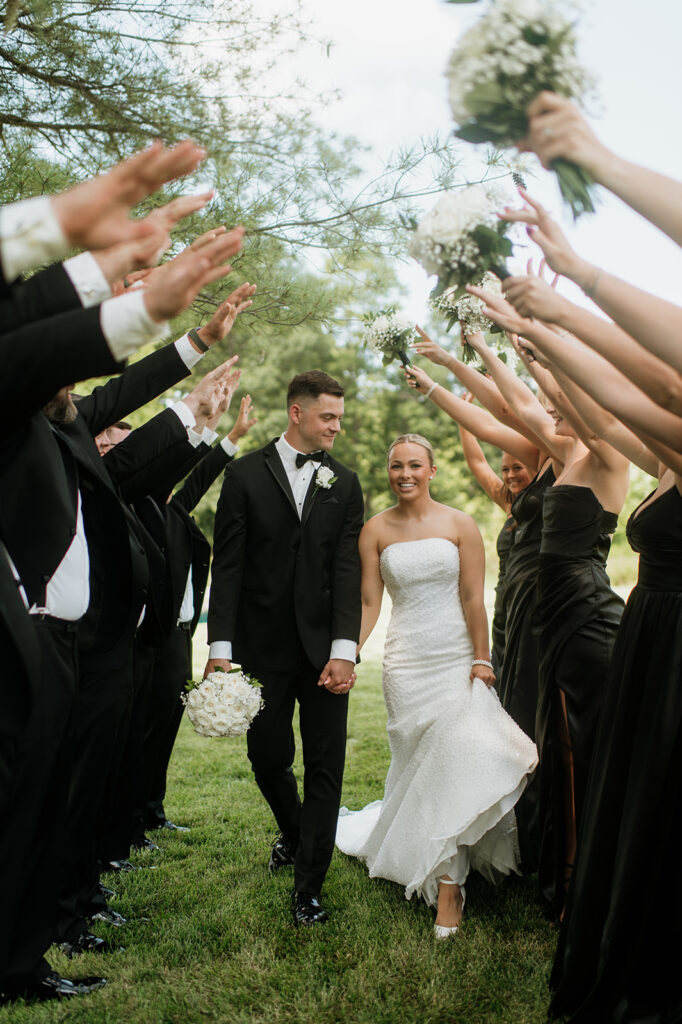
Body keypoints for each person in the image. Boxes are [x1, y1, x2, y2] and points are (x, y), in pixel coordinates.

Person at [335, 435, 537, 938]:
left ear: (432, 470)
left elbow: (473, 596)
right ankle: (432, 856)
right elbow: (368, 603)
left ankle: (450, 883)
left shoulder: (459, 523)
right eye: (396, 466)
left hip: (455, 659)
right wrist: (347, 653)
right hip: (406, 664)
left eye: (415, 465)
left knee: (459, 753)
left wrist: (482, 658)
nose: (405, 474)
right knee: (419, 765)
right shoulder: (375, 530)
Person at [205, 370, 364, 926]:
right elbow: (226, 567)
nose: (336, 428)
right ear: (297, 413)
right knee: (267, 756)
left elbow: (348, 571)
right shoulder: (244, 475)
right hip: (260, 648)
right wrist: (220, 646)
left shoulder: (344, 483)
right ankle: (294, 833)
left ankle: (309, 889)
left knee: (327, 764)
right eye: (328, 417)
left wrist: (345, 649)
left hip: (325, 652)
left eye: (339, 418)